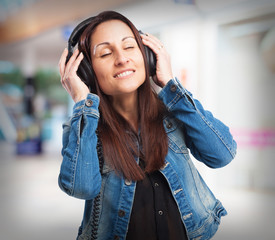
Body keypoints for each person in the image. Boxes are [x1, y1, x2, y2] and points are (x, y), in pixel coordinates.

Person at [58, 10, 237, 240]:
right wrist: (83, 103)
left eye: (129, 47)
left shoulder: (174, 112)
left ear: (148, 56)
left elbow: (222, 155)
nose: (122, 59)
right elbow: (81, 188)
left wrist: (171, 84)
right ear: (87, 73)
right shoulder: (85, 129)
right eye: (105, 53)